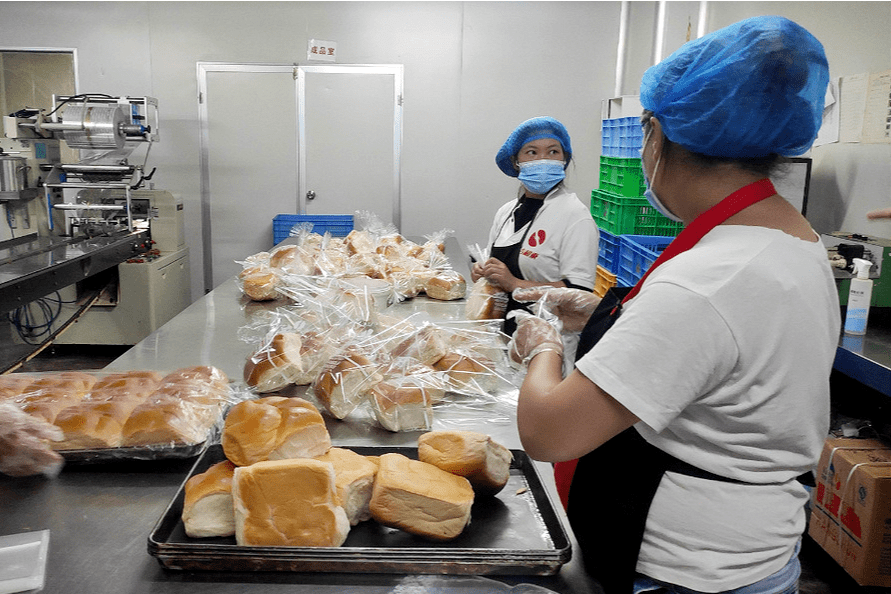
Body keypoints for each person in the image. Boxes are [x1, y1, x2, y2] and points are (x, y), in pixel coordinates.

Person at [506, 16, 839, 594]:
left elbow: (548, 432)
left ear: (659, 136)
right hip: (756, 556)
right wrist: (603, 314)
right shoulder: (792, 240)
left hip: (685, 573)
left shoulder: (706, 282)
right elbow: (725, 352)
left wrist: (543, 347)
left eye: (644, 132)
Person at [471, 116, 599, 367]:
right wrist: (484, 273)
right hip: (503, 335)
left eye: (553, 151)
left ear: (564, 160)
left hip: (548, 346)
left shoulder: (575, 216)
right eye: (532, 152)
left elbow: (581, 295)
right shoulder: (506, 211)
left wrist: (515, 284)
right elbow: (496, 267)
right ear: (516, 162)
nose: (543, 159)